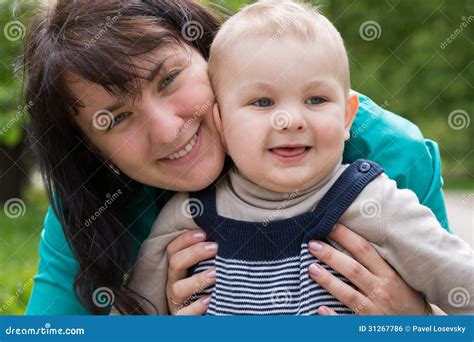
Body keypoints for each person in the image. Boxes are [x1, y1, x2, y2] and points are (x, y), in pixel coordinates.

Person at [23, 0, 450, 315]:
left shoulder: (382, 153)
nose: (169, 129)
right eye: (116, 118)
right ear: (89, 148)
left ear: (208, 51)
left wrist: (412, 322)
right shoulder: (92, 200)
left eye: (169, 78)